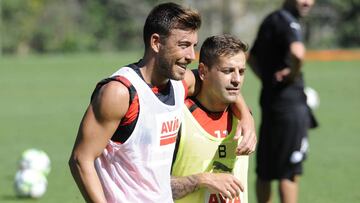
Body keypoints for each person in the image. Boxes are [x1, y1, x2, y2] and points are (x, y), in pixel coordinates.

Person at [68, 2, 256, 202]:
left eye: (193, 46)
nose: (191, 56)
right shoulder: (121, 93)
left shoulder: (178, 85)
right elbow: (81, 160)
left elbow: (218, 82)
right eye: (183, 45)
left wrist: (245, 116)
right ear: (156, 43)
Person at [248, 0, 318, 203]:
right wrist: (292, 76)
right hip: (290, 108)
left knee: (265, 172)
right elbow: (298, 53)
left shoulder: (271, 19)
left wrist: (266, 79)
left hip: (270, 105)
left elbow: (251, 57)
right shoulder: (289, 22)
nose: (307, 2)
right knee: (289, 172)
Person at [171, 34, 250, 203]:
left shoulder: (243, 121)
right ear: (202, 71)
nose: (236, 80)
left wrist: (247, 118)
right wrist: (202, 180)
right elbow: (149, 187)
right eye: (227, 71)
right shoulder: (177, 120)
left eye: (241, 72)